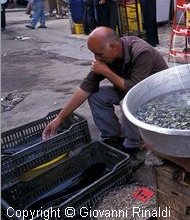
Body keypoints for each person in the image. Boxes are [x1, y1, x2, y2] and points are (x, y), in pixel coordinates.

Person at [42, 26, 168, 155]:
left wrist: (106, 71)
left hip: (158, 96)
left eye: (99, 54)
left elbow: (134, 89)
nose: (97, 58)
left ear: (113, 46)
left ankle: (133, 145)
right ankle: (113, 136)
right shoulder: (106, 56)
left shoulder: (141, 52)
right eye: (94, 54)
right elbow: (85, 88)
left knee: (126, 103)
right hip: (132, 90)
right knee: (96, 96)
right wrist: (60, 118)